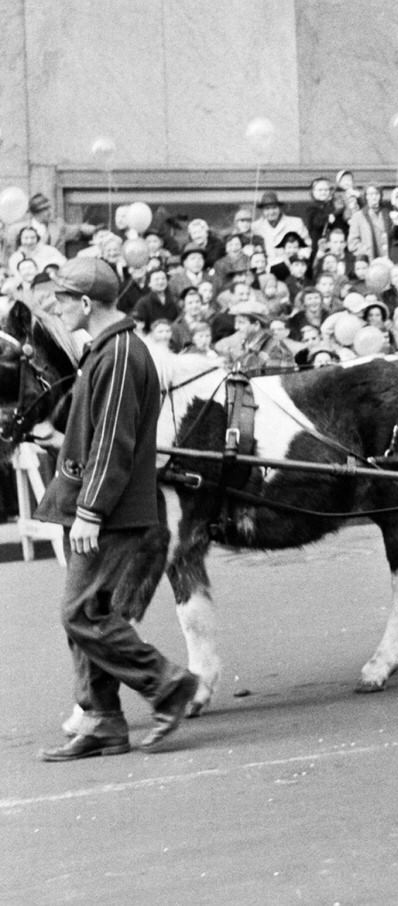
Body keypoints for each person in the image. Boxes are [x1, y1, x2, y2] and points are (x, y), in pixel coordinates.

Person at [32, 257, 201, 761]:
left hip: (110, 513)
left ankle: (168, 685)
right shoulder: (110, 350)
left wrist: (90, 510)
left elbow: (114, 441)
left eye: (62, 299)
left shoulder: (121, 353)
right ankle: (103, 719)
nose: (55, 307)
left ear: (86, 303)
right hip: (103, 507)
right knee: (90, 612)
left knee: (79, 614)